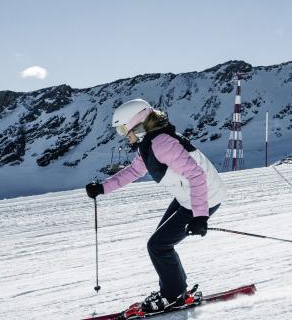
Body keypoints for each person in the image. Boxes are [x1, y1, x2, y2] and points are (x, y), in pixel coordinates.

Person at [85, 99, 227, 315]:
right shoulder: (150, 144)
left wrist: (200, 216)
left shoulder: (162, 144)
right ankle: (177, 291)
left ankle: (173, 295)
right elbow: (134, 171)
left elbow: (196, 175)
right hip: (188, 197)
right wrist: (102, 188)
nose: (123, 136)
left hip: (204, 196)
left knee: (159, 245)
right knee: (161, 243)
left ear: (137, 124)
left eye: (123, 129)